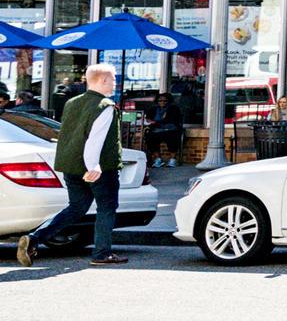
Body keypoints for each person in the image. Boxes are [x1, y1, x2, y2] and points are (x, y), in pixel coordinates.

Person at [16, 63, 126, 267]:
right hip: (99, 168)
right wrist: (93, 166)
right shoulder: (105, 106)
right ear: (103, 80)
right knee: (107, 207)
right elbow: (95, 139)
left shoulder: (72, 102)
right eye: (113, 79)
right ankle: (102, 253)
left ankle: (34, 238)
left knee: (77, 207)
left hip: (70, 166)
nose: (114, 83)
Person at [144, 92, 184, 168]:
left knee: (172, 137)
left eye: (164, 101)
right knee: (150, 137)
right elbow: (148, 118)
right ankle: (158, 159)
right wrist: (151, 121)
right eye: (160, 100)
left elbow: (172, 120)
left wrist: (156, 122)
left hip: (170, 129)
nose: (162, 102)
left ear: (168, 101)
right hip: (157, 129)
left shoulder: (174, 109)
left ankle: (173, 159)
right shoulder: (154, 109)